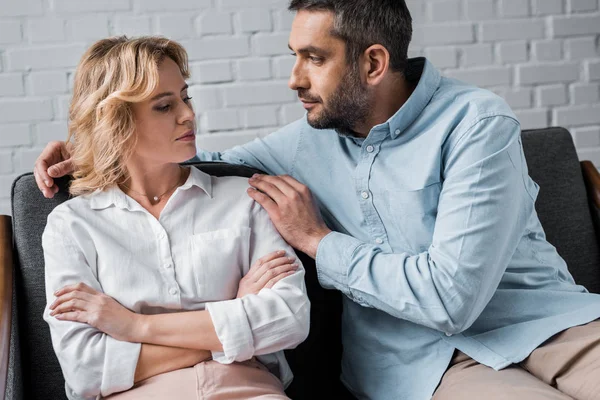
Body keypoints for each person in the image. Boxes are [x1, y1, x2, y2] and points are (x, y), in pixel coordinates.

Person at [35, 1, 600, 399]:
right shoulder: (298, 144)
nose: (293, 79)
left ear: (373, 63)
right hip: (428, 365)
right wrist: (87, 150)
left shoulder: (476, 123)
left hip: (551, 324)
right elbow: (187, 158)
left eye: (313, 58)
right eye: (293, 55)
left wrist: (317, 242)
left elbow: (452, 298)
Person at [41, 36, 310, 400]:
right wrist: (233, 316)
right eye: (165, 106)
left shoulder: (244, 198)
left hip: (249, 392)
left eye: (185, 97)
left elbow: (289, 319)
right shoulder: (71, 225)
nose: (188, 114)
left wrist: (133, 327)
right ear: (116, 121)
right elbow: (85, 370)